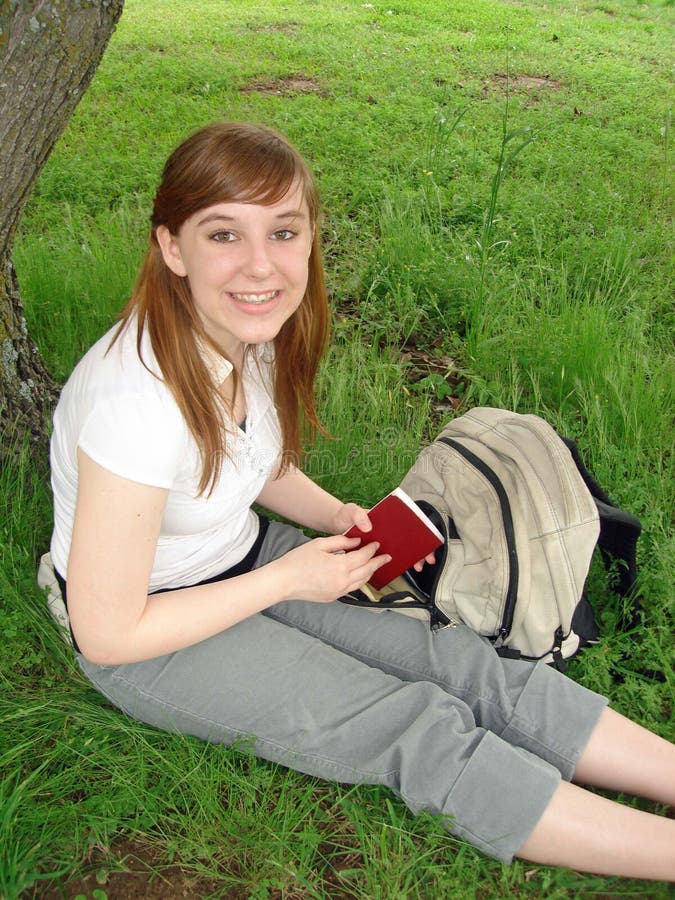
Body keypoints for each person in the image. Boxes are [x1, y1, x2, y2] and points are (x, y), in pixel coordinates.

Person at [44, 121, 675, 880]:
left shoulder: (246, 330)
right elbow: (108, 632)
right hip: (152, 629)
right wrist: (287, 579)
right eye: (222, 234)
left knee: (465, 666)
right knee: (416, 726)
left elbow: (253, 462)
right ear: (171, 247)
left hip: (239, 554)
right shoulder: (134, 405)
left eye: (283, 231)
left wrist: (333, 516)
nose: (260, 265)